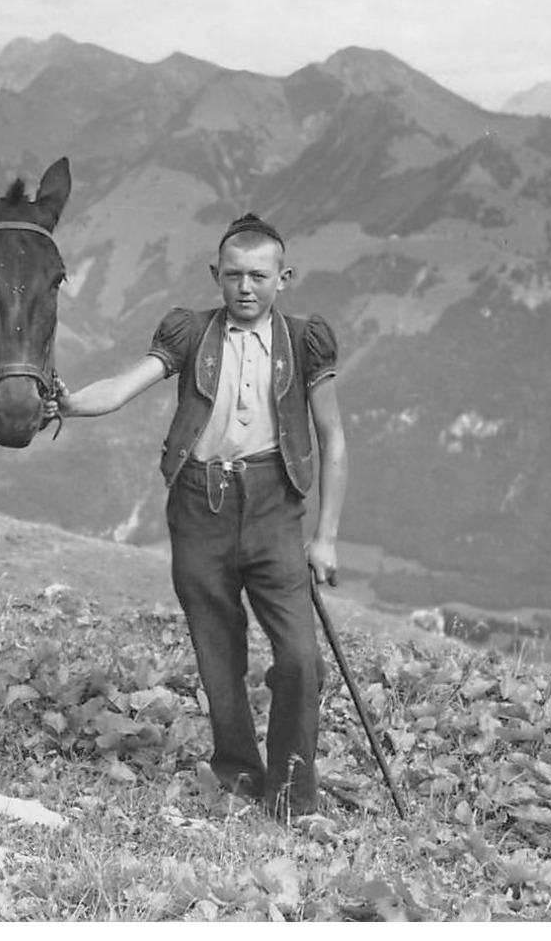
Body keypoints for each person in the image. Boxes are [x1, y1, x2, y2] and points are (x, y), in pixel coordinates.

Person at [52, 213, 348, 819]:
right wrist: (72, 403)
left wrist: (326, 538)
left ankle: (293, 796)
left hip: (274, 505)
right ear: (216, 275)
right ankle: (239, 773)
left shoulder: (303, 340)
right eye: (233, 275)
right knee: (218, 650)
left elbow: (334, 440)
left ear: (283, 277)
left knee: (298, 657)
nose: (245, 288)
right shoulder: (192, 334)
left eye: (259, 276)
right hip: (198, 502)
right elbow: (125, 384)